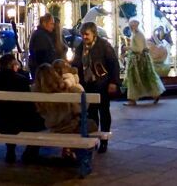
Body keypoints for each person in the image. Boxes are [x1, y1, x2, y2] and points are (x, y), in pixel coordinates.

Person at [0, 54, 46, 164]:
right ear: (13, 66)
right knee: (41, 122)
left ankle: (10, 150)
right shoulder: (21, 80)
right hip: (18, 122)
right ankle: (30, 153)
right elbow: (28, 104)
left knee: (9, 115)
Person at [71, 21, 120, 153]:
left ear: (94, 34)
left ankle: (104, 140)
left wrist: (113, 82)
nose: (84, 37)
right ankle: (93, 139)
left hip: (102, 84)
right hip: (87, 84)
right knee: (91, 114)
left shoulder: (104, 46)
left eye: (86, 34)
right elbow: (77, 63)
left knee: (104, 112)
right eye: (82, 34)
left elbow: (113, 64)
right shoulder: (81, 46)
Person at [34, 63, 97, 134]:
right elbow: (82, 107)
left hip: (54, 129)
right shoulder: (64, 89)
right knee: (92, 124)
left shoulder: (38, 94)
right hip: (71, 127)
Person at [123, 19, 165, 106]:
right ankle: (154, 94)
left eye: (131, 26)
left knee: (135, 79)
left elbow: (139, 49)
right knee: (144, 78)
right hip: (138, 60)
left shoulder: (138, 35)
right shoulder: (136, 34)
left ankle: (133, 99)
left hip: (138, 61)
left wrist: (128, 48)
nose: (130, 27)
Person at [28, 13, 56, 79]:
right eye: (51, 24)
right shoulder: (41, 36)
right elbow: (41, 56)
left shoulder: (43, 34)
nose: (53, 26)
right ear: (44, 23)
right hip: (43, 72)